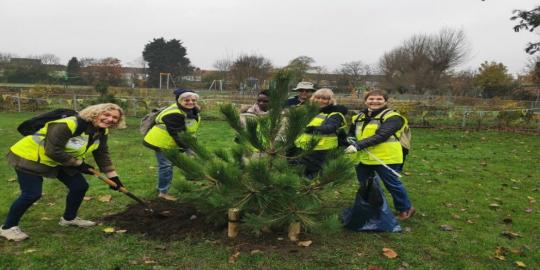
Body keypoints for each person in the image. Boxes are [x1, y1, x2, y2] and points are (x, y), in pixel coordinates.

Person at [1, 103, 126, 241]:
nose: (110, 119)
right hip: (30, 156)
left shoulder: (102, 131)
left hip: (61, 159)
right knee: (31, 194)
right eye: (106, 115)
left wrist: (113, 177)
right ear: (95, 113)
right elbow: (52, 150)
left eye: (115, 118)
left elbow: (101, 153)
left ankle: (69, 219)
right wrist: (79, 164)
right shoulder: (68, 124)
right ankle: (8, 227)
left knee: (79, 186)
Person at [345, 89, 415, 220]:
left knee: (392, 184)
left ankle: (405, 208)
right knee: (365, 183)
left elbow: (381, 136)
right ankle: (372, 206)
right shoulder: (359, 117)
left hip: (386, 157)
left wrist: (357, 145)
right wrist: (350, 139)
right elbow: (351, 133)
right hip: (364, 157)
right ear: (366, 101)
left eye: (379, 99)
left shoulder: (393, 118)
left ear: (386, 101)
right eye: (371, 99)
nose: (374, 101)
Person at [143, 88, 201, 201]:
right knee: (166, 166)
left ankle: (163, 189)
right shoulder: (174, 113)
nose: (190, 102)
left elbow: (187, 129)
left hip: (171, 141)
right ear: (179, 101)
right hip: (161, 142)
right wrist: (188, 149)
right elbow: (177, 133)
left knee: (172, 164)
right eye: (187, 100)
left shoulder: (191, 110)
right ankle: (163, 193)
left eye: (193, 100)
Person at [293, 88, 348, 178]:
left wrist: (312, 129)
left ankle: (313, 189)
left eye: (324, 98)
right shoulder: (310, 111)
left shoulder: (335, 114)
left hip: (322, 150)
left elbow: (331, 127)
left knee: (315, 175)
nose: (320, 101)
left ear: (330, 100)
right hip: (304, 147)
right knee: (301, 173)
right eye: (317, 98)